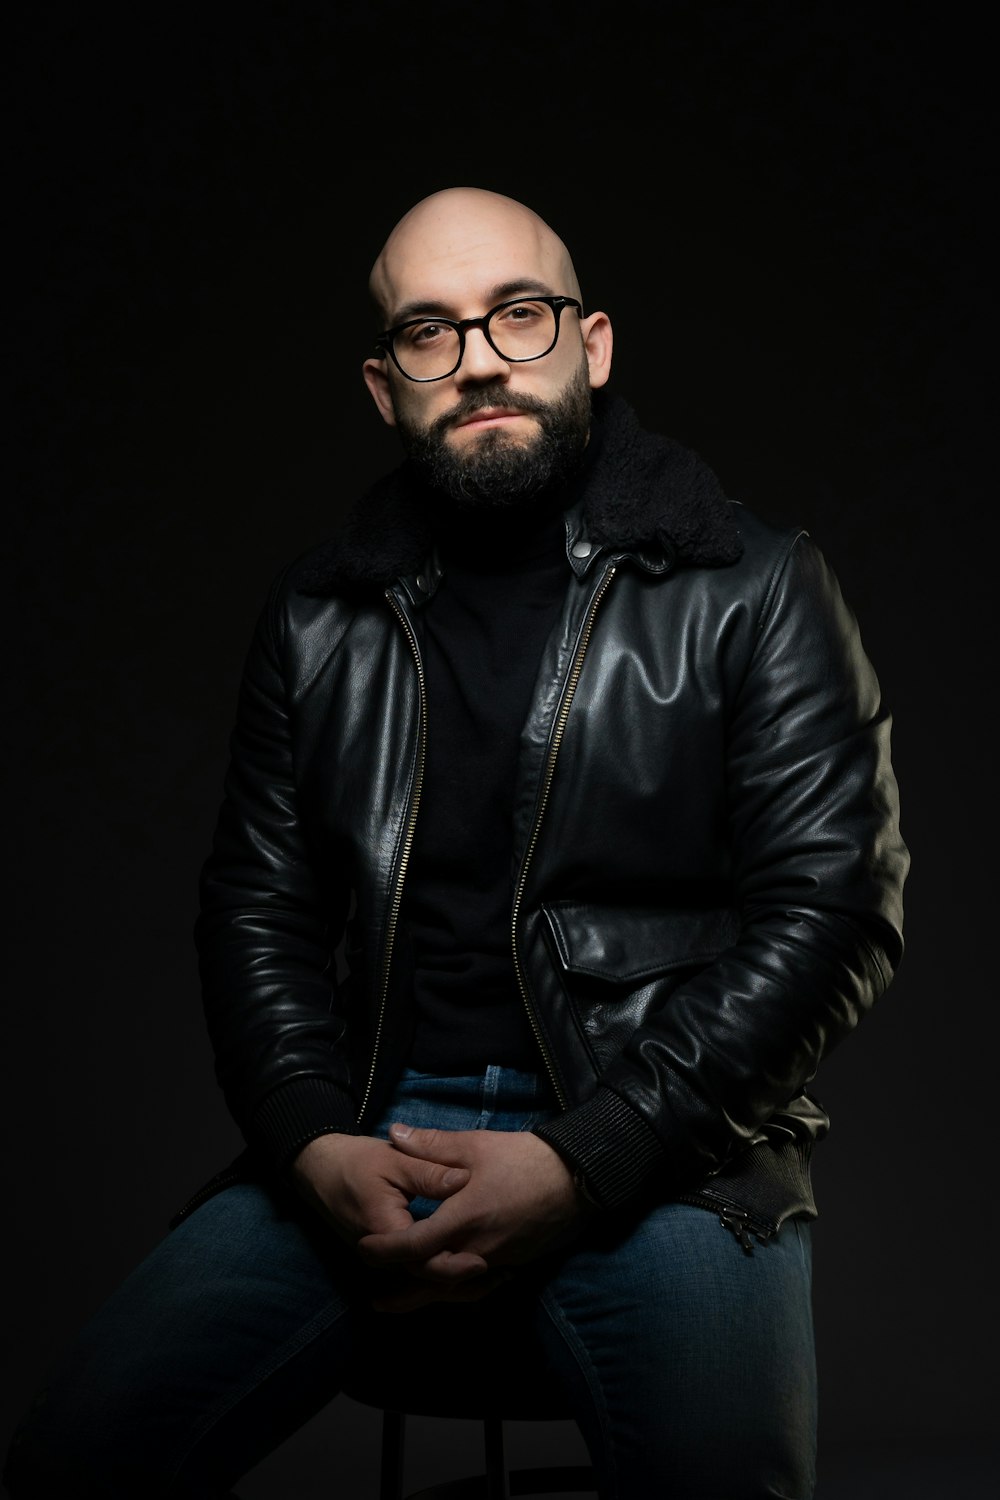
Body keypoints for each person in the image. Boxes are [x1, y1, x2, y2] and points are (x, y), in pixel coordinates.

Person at [4, 186, 909, 1499]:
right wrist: (312, 1141)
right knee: (69, 1464)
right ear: (386, 386)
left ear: (590, 344)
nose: (478, 355)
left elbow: (838, 912)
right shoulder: (319, 618)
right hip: (372, 1133)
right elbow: (251, 911)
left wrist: (590, 1151)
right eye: (431, 332)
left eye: (517, 316)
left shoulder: (758, 586)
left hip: (671, 1144)